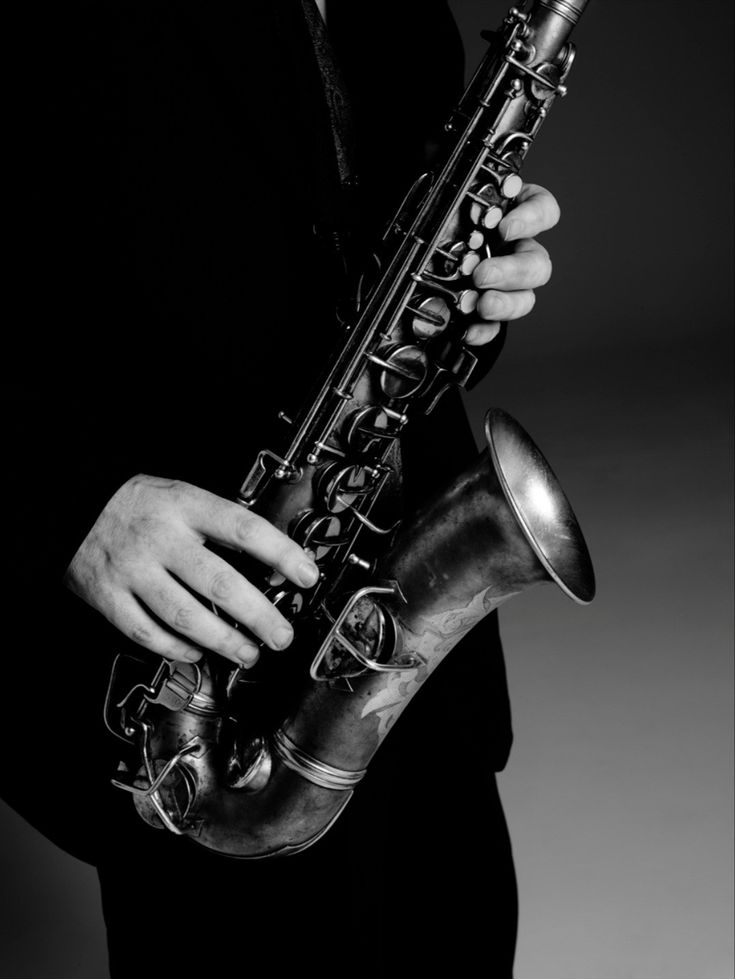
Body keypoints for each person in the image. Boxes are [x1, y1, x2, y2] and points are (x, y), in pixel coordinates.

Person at [3, 1, 561, 975]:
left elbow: (373, 281)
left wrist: (475, 298)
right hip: (201, 678)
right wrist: (69, 505)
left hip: (415, 674)